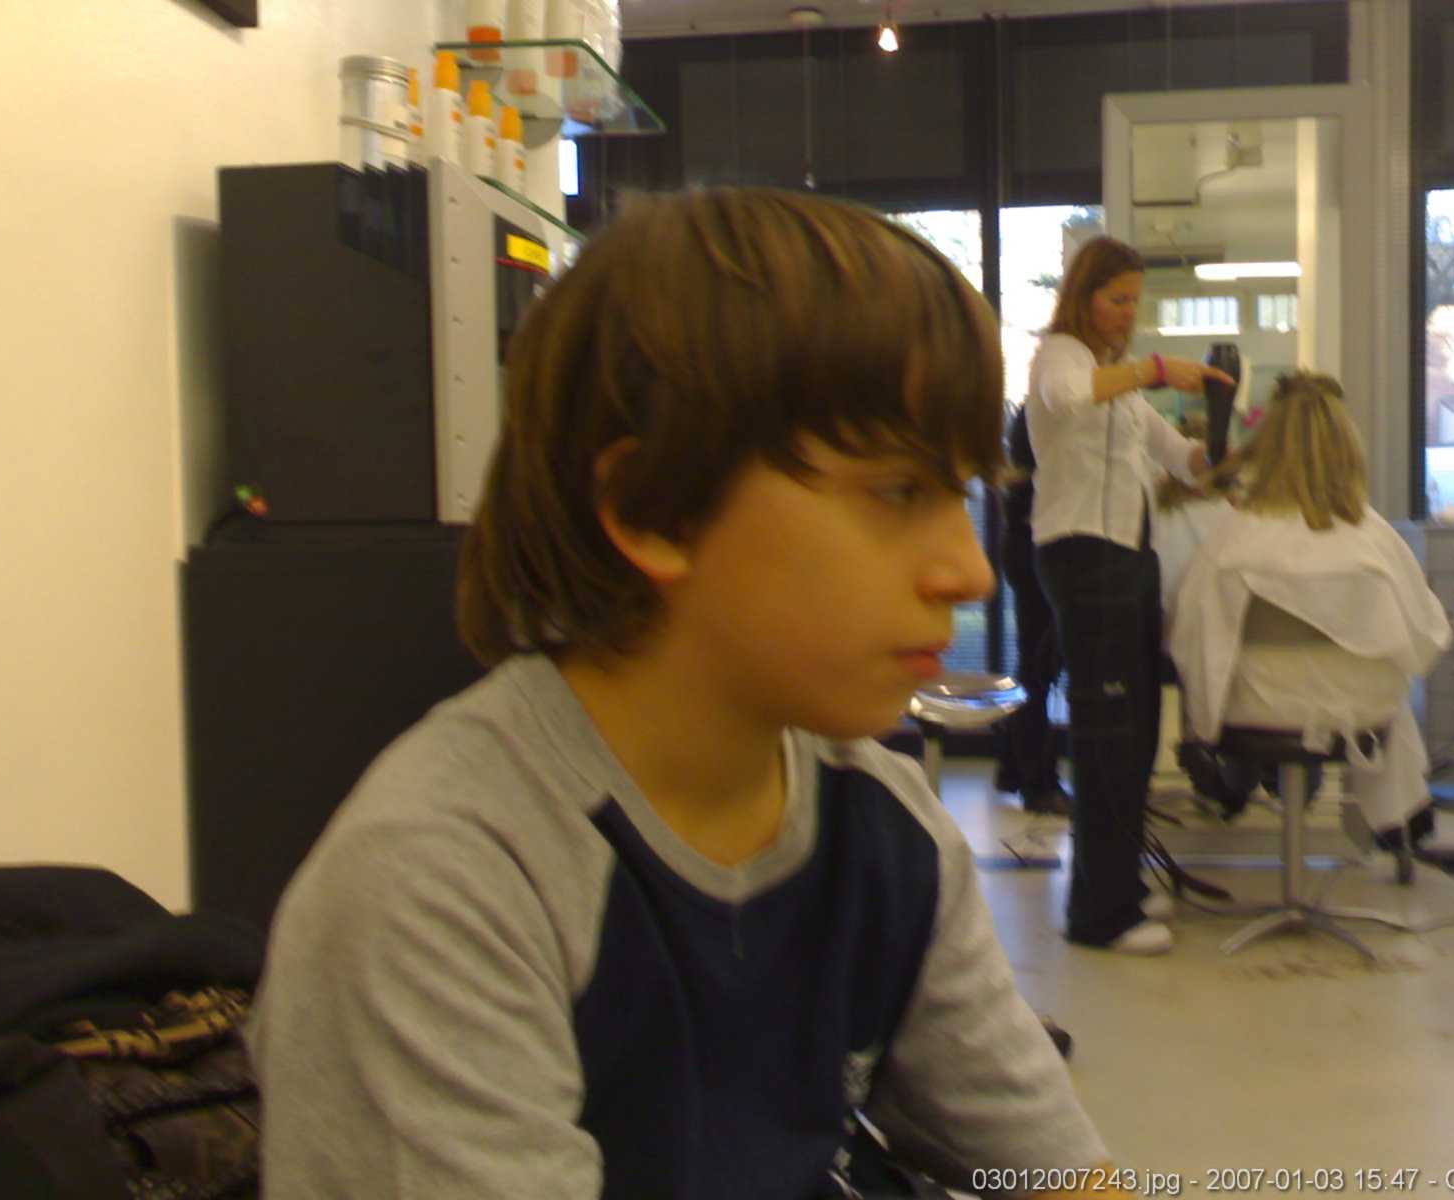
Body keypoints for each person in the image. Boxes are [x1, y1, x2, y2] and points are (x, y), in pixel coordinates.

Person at [250, 189, 1116, 1199]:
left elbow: (1058, 1170)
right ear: (652, 507)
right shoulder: (443, 885)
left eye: (962, 494)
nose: (969, 572)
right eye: (896, 492)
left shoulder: (884, 829)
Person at [1025, 235, 1233, 956]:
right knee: (1106, 729)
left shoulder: (1125, 390)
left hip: (1130, 558)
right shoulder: (1060, 356)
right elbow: (1066, 397)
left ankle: (1118, 881)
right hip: (1082, 555)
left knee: (1138, 728)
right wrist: (1156, 369)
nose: (1127, 312)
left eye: (1135, 302)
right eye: (1117, 299)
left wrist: (1226, 443)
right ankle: (1098, 915)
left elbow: (1183, 462)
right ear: (1083, 297)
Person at [1167, 370, 1450, 850]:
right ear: (1347, 450)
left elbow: (1188, 632)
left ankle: (1231, 783)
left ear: (1266, 450)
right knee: (1386, 685)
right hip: (1360, 707)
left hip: (1255, 707)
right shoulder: (1375, 540)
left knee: (1234, 670)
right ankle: (1402, 816)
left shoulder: (1234, 539)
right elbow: (1425, 637)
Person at [994, 401, 1071, 815]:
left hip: (1026, 542)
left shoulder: (1033, 412)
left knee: (1036, 663)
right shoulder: (1051, 410)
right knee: (1040, 667)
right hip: (1037, 545)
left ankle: (1015, 768)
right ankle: (1037, 784)